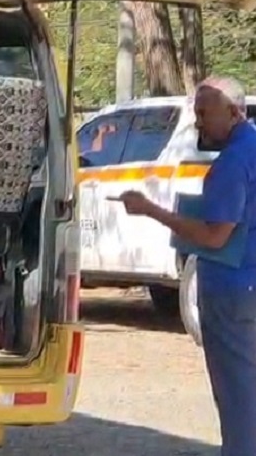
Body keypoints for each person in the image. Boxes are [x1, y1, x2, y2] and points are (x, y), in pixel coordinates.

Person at [114, 76, 256, 456]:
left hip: (232, 290)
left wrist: (151, 210)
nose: (197, 122)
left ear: (233, 111)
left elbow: (215, 235)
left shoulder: (234, 162)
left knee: (239, 398)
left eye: (204, 113)